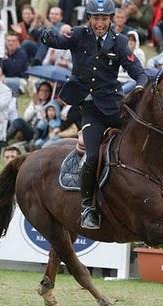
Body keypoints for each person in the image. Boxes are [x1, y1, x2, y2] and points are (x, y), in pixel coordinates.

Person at [39, 0, 147, 229]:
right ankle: (87, 206)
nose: (99, 23)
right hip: (88, 111)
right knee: (92, 156)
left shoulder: (119, 42)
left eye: (104, 19)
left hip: (114, 106)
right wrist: (46, 32)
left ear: (110, 20)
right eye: (96, 18)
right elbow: (59, 40)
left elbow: (138, 71)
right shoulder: (79, 35)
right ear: (89, 19)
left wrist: (139, 86)